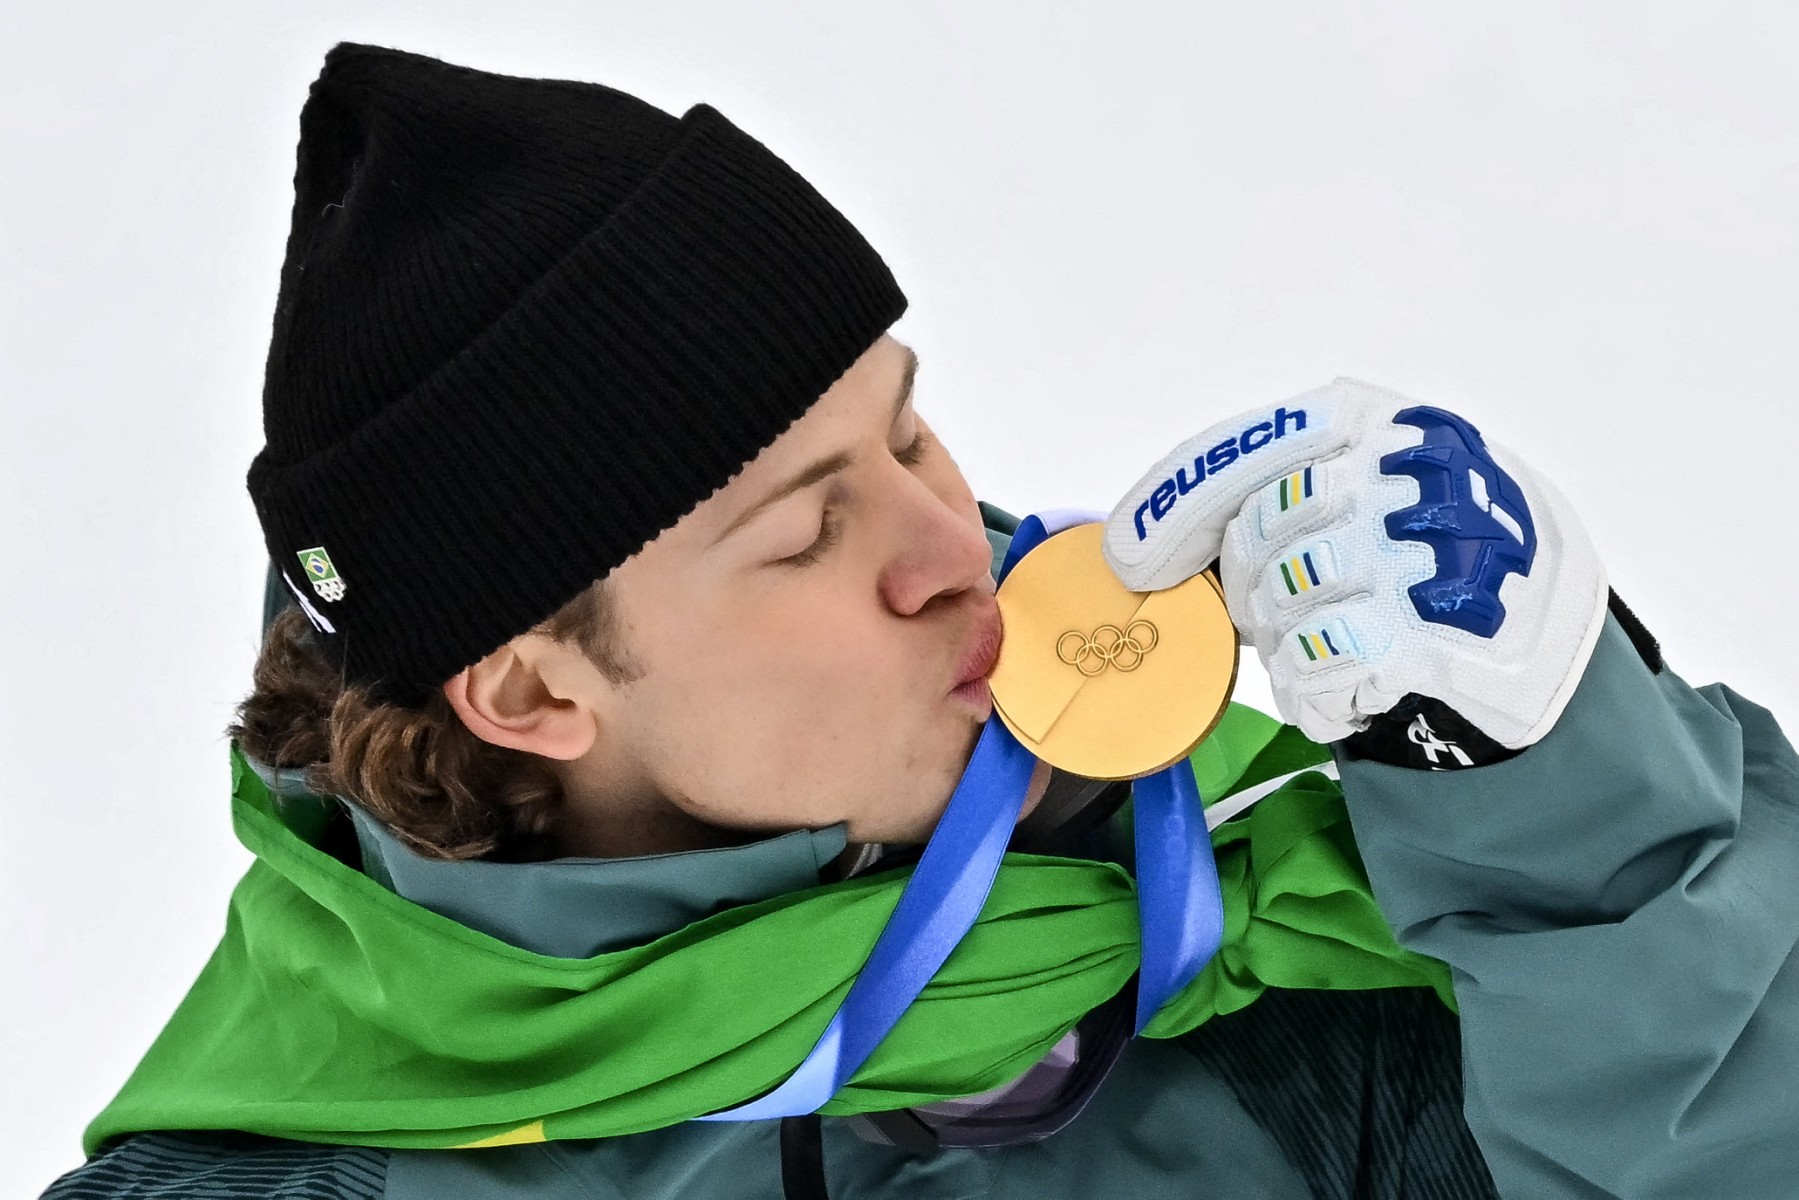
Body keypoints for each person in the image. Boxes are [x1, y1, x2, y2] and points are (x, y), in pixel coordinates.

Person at [42, 42, 1799, 1200]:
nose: (956, 543)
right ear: (529, 690)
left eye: (906, 433)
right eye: (810, 532)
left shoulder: (1286, 972)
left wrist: (1567, 811)